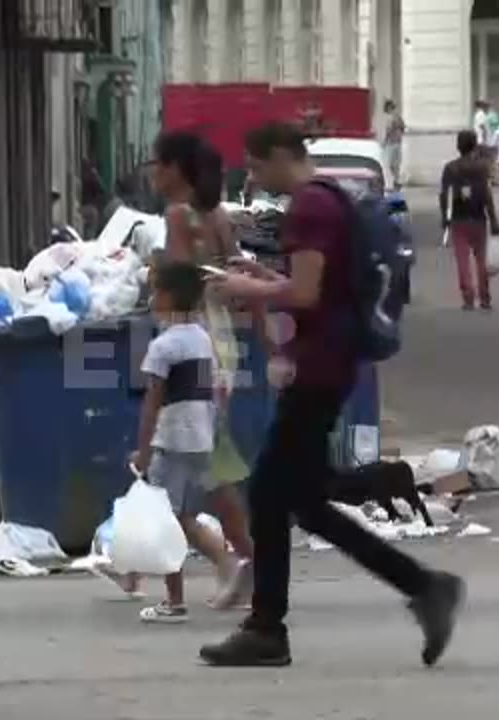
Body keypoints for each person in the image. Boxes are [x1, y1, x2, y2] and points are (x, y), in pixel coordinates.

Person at [199, 122, 465, 668]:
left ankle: (268, 628)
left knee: (271, 494)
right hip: (329, 364)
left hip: (319, 368)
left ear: (278, 156)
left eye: (254, 166)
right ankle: (421, 586)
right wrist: (265, 271)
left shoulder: (309, 208)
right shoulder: (330, 202)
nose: (252, 178)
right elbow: (314, 283)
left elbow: (304, 292)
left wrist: (252, 288)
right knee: (302, 502)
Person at [131, 130, 256, 610]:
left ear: (176, 169)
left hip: (189, 341)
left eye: (157, 164)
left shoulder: (178, 216)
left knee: (210, 462)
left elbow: (182, 281)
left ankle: (240, 560)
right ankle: (241, 559)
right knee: (212, 458)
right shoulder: (218, 215)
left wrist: (152, 270)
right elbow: (230, 271)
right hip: (219, 341)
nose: (152, 173)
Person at [127, 261, 238, 623]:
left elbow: (152, 403)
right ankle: (226, 564)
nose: (151, 297)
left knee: (165, 521)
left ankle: (174, 601)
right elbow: (209, 394)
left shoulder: (163, 346)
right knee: (183, 516)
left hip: (172, 440)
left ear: (170, 296)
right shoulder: (201, 338)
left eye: (156, 290)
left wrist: (143, 449)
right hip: (199, 439)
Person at [441, 130, 499, 311]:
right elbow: (486, 194)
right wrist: (493, 218)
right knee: (481, 259)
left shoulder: (450, 168)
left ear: (458, 146)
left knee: (462, 260)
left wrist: (445, 217)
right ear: (474, 145)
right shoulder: (482, 167)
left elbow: (444, 195)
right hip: (478, 218)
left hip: (459, 218)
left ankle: (468, 297)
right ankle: (484, 297)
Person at [383, 100, 407, 187]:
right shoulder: (398, 116)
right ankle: (396, 180)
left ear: (388, 107)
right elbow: (404, 127)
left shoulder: (390, 118)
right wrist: (399, 134)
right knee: (396, 163)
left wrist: (385, 142)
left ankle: (396, 180)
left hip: (392, 142)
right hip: (398, 142)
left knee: (391, 164)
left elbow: (388, 131)